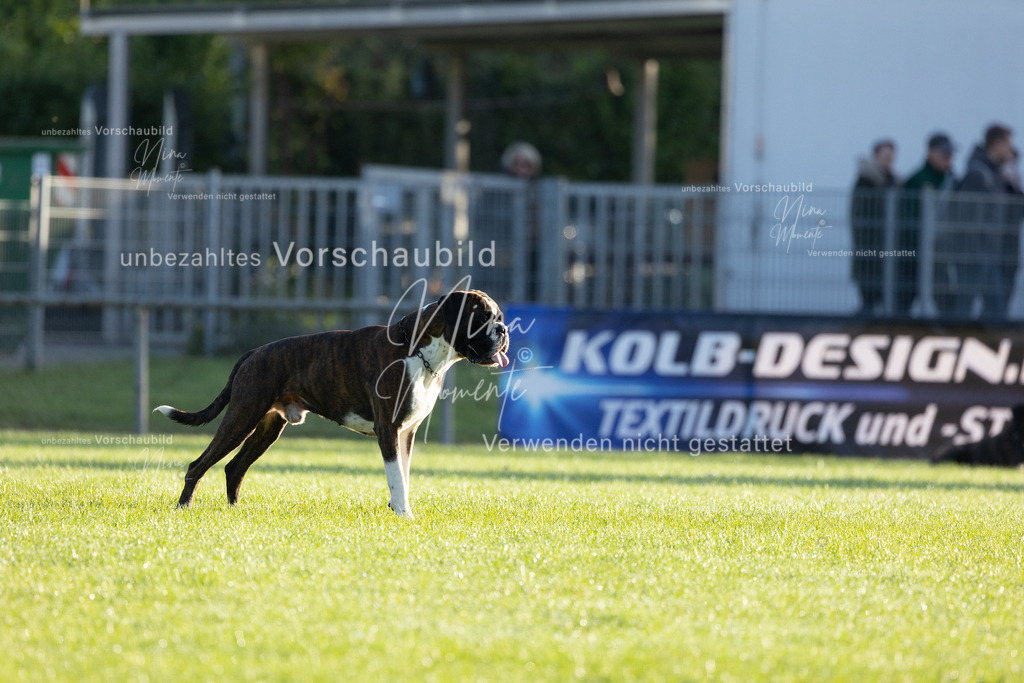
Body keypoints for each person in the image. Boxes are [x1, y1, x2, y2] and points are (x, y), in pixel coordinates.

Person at [951, 124, 1022, 319]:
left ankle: (989, 345)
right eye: (1008, 144)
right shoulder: (978, 174)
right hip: (975, 253)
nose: (1010, 149)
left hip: (988, 253)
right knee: (966, 307)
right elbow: (966, 216)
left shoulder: (994, 174)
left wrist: (1013, 186)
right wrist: (978, 247)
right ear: (997, 144)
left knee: (995, 309)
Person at [902, 133, 956, 314]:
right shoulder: (917, 181)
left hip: (940, 253)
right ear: (931, 153)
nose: (948, 158)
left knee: (945, 299)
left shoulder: (952, 181)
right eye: (944, 154)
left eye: (949, 154)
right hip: (916, 254)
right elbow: (907, 219)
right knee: (905, 301)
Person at [851, 140, 899, 315]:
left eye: (892, 156)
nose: (890, 160)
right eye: (886, 156)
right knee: (869, 300)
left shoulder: (893, 182)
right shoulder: (866, 182)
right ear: (876, 157)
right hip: (870, 250)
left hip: (885, 251)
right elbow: (860, 218)